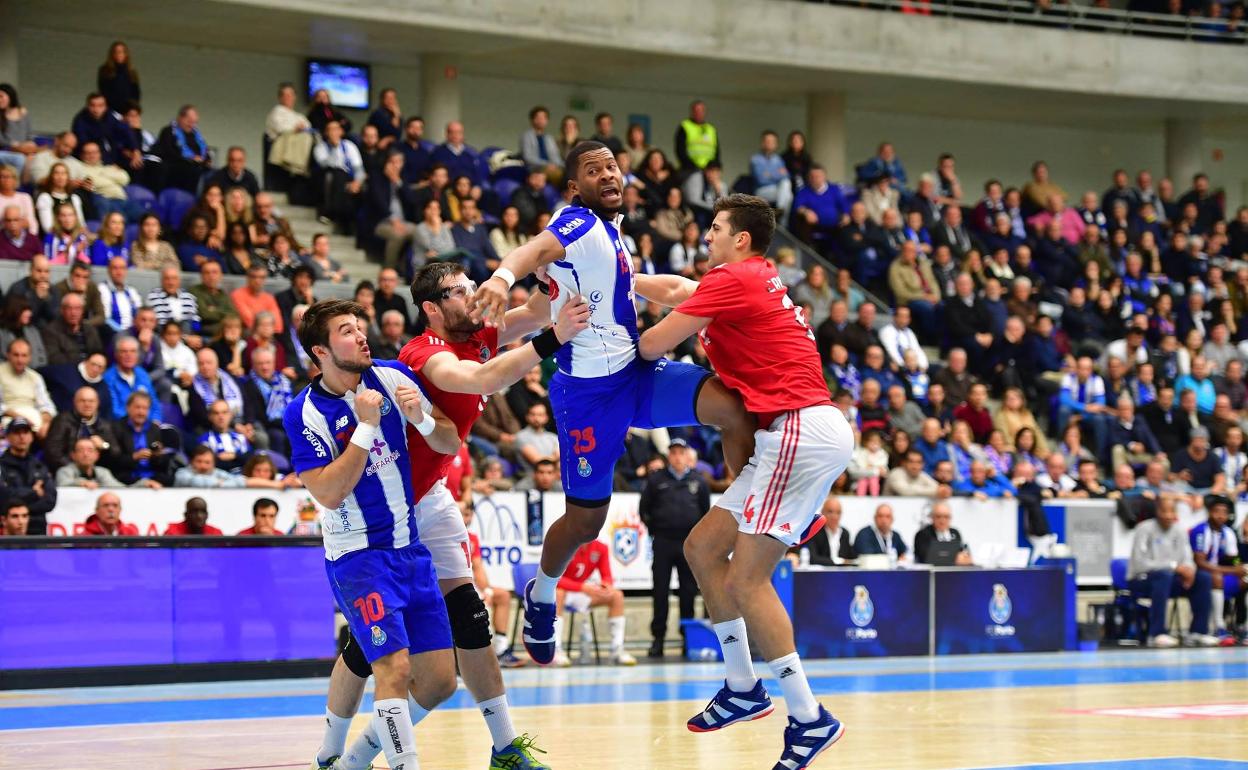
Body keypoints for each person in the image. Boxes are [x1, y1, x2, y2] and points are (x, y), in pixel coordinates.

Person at [468, 145, 752, 683]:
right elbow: (533, 250)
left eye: (612, 166)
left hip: (637, 374)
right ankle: (542, 592)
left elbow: (538, 309)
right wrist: (501, 279)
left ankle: (751, 509)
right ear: (574, 188)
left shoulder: (614, 237)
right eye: (593, 170)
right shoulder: (575, 222)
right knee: (586, 521)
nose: (607, 174)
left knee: (732, 407)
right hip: (588, 397)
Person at [628, 194, 848, 762]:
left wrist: (604, 322)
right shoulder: (747, 279)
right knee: (702, 548)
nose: (707, 235)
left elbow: (651, 345)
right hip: (793, 434)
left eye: (716, 227)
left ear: (741, 239)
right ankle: (743, 686)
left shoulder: (736, 278)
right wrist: (624, 280)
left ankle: (809, 717)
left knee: (747, 581)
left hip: (798, 430)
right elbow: (679, 290)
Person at [284, 299, 472, 770]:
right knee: (394, 668)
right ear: (321, 351)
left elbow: (450, 440)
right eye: (347, 331)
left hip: (410, 548)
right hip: (359, 557)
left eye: (359, 326)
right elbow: (329, 493)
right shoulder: (303, 412)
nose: (361, 335)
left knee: (440, 682)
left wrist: (422, 419)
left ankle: (347, 761)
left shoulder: (391, 375)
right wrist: (365, 429)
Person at [639, 437, 708, 659]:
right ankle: (658, 639)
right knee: (660, 591)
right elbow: (644, 509)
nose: (677, 457)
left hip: (688, 544)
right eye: (673, 452)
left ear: (687, 456)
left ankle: (687, 637)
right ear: (669, 456)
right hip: (663, 542)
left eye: (681, 452)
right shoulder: (656, 480)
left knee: (688, 591)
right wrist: (656, 529)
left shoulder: (698, 481)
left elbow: (705, 512)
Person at [1128, 498, 1216, 647]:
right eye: (1165, 511)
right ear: (1157, 511)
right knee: (1163, 576)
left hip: (1170, 580)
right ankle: (1156, 634)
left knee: (1203, 578)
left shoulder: (1180, 530)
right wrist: (1173, 567)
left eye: (1172, 511)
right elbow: (1139, 564)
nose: (1169, 515)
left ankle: (1198, 632)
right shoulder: (1144, 529)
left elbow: (1187, 558)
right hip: (1141, 580)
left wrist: (1189, 571)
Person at [551, 538, 635, 667]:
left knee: (616, 596)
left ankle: (617, 648)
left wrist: (606, 586)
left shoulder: (600, 548)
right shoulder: (564, 543)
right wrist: (582, 587)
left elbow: (607, 576)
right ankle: (555, 649)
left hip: (581, 592)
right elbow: (555, 578)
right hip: (562, 592)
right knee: (558, 593)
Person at [1190, 495, 1247, 639]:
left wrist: (1239, 568)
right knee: (1216, 577)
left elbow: (1234, 558)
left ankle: (1242, 624)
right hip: (1199, 575)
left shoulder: (1228, 532)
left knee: (1246, 579)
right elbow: (1200, 562)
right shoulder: (1201, 530)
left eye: (1224, 512)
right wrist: (1232, 570)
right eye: (1217, 511)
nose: (1221, 516)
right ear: (1210, 512)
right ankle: (1219, 626)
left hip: (1219, 573)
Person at [0, 417, 56, 534]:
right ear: (8, 437)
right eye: (17, 433)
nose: (22, 437)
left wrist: (20, 508)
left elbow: (50, 501)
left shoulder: (40, 466)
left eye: (26, 432)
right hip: (9, 531)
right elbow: (4, 497)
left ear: (31, 437)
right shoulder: (2, 465)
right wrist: (34, 493)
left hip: (38, 530)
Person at [311, 121, 364, 229]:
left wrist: (357, 182)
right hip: (330, 177)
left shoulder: (349, 146)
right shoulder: (320, 148)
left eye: (336, 129)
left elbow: (358, 168)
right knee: (337, 174)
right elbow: (326, 164)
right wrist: (335, 147)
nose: (333, 132)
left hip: (350, 178)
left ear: (341, 131)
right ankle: (334, 213)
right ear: (326, 133)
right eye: (330, 129)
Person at [0, 338, 55, 438]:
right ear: (8, 355)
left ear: (30, 357)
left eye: (24, 355)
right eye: (16, 355)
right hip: (9, 418)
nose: (20, 360)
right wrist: (19, 417)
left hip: (33, 418)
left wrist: (45, 422)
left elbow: (46, 405)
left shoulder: (35, 377)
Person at [153, 104, 211, 192]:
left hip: (198, 167)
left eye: (195, 122)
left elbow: (205, 151)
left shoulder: (196, 135)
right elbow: (169, 153)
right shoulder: (168, 131)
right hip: (176, 169)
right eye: (189, 121)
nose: (192, 125)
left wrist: (206, 160)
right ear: (180, 118)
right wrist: (191, 159)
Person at [231, 264, 283, 333]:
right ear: (247, 278)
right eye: (254, 277)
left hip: (269, 335)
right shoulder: (237, 295)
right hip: (248, 335)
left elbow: (278, 326)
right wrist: (267, 327)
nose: (257, 281)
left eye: (262, 277)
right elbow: (250, 322)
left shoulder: (269, 298)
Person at [674, 100, 719, 173]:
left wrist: (714, 165)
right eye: (696, 110)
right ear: (692, 112)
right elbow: (680, 150)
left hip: (709, 170)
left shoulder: (711, 129)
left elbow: (717, 151)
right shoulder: (685, 126)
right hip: (689, 169)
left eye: (701, 110)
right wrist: (690, 166)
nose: (699, 113)